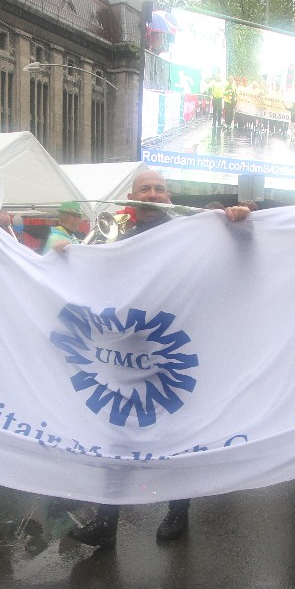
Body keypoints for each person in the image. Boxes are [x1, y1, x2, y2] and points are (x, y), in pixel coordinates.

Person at [68, 170, 251, 548]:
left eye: (159, 189)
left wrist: (240, 222)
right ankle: (106, 523)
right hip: (128, 356)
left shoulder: (195, 233)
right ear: (132, 197)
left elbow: (239, 260)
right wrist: (65, 258)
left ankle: (177, 511)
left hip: (174, 354)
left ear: (169, 198)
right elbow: (93, 284)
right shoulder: (120, 241)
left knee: (175, 438)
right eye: (144, 189)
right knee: (116, 438)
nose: (152, 194)